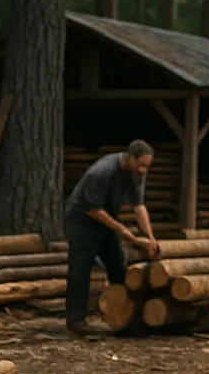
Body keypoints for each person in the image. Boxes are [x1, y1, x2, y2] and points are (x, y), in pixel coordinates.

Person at [65, 139, 161, 335]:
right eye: (141, 164)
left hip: (106, 217)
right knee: (80, 268)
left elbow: (139, 206)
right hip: (83, 220)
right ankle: (76, 320)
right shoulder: (101, 172)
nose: (144, 170)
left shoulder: (137, 173)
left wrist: (150, 238)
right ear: (130, 158)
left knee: (118, 264)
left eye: (147, 166)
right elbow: (93, 210)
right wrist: (128, 235)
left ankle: (124, 314)